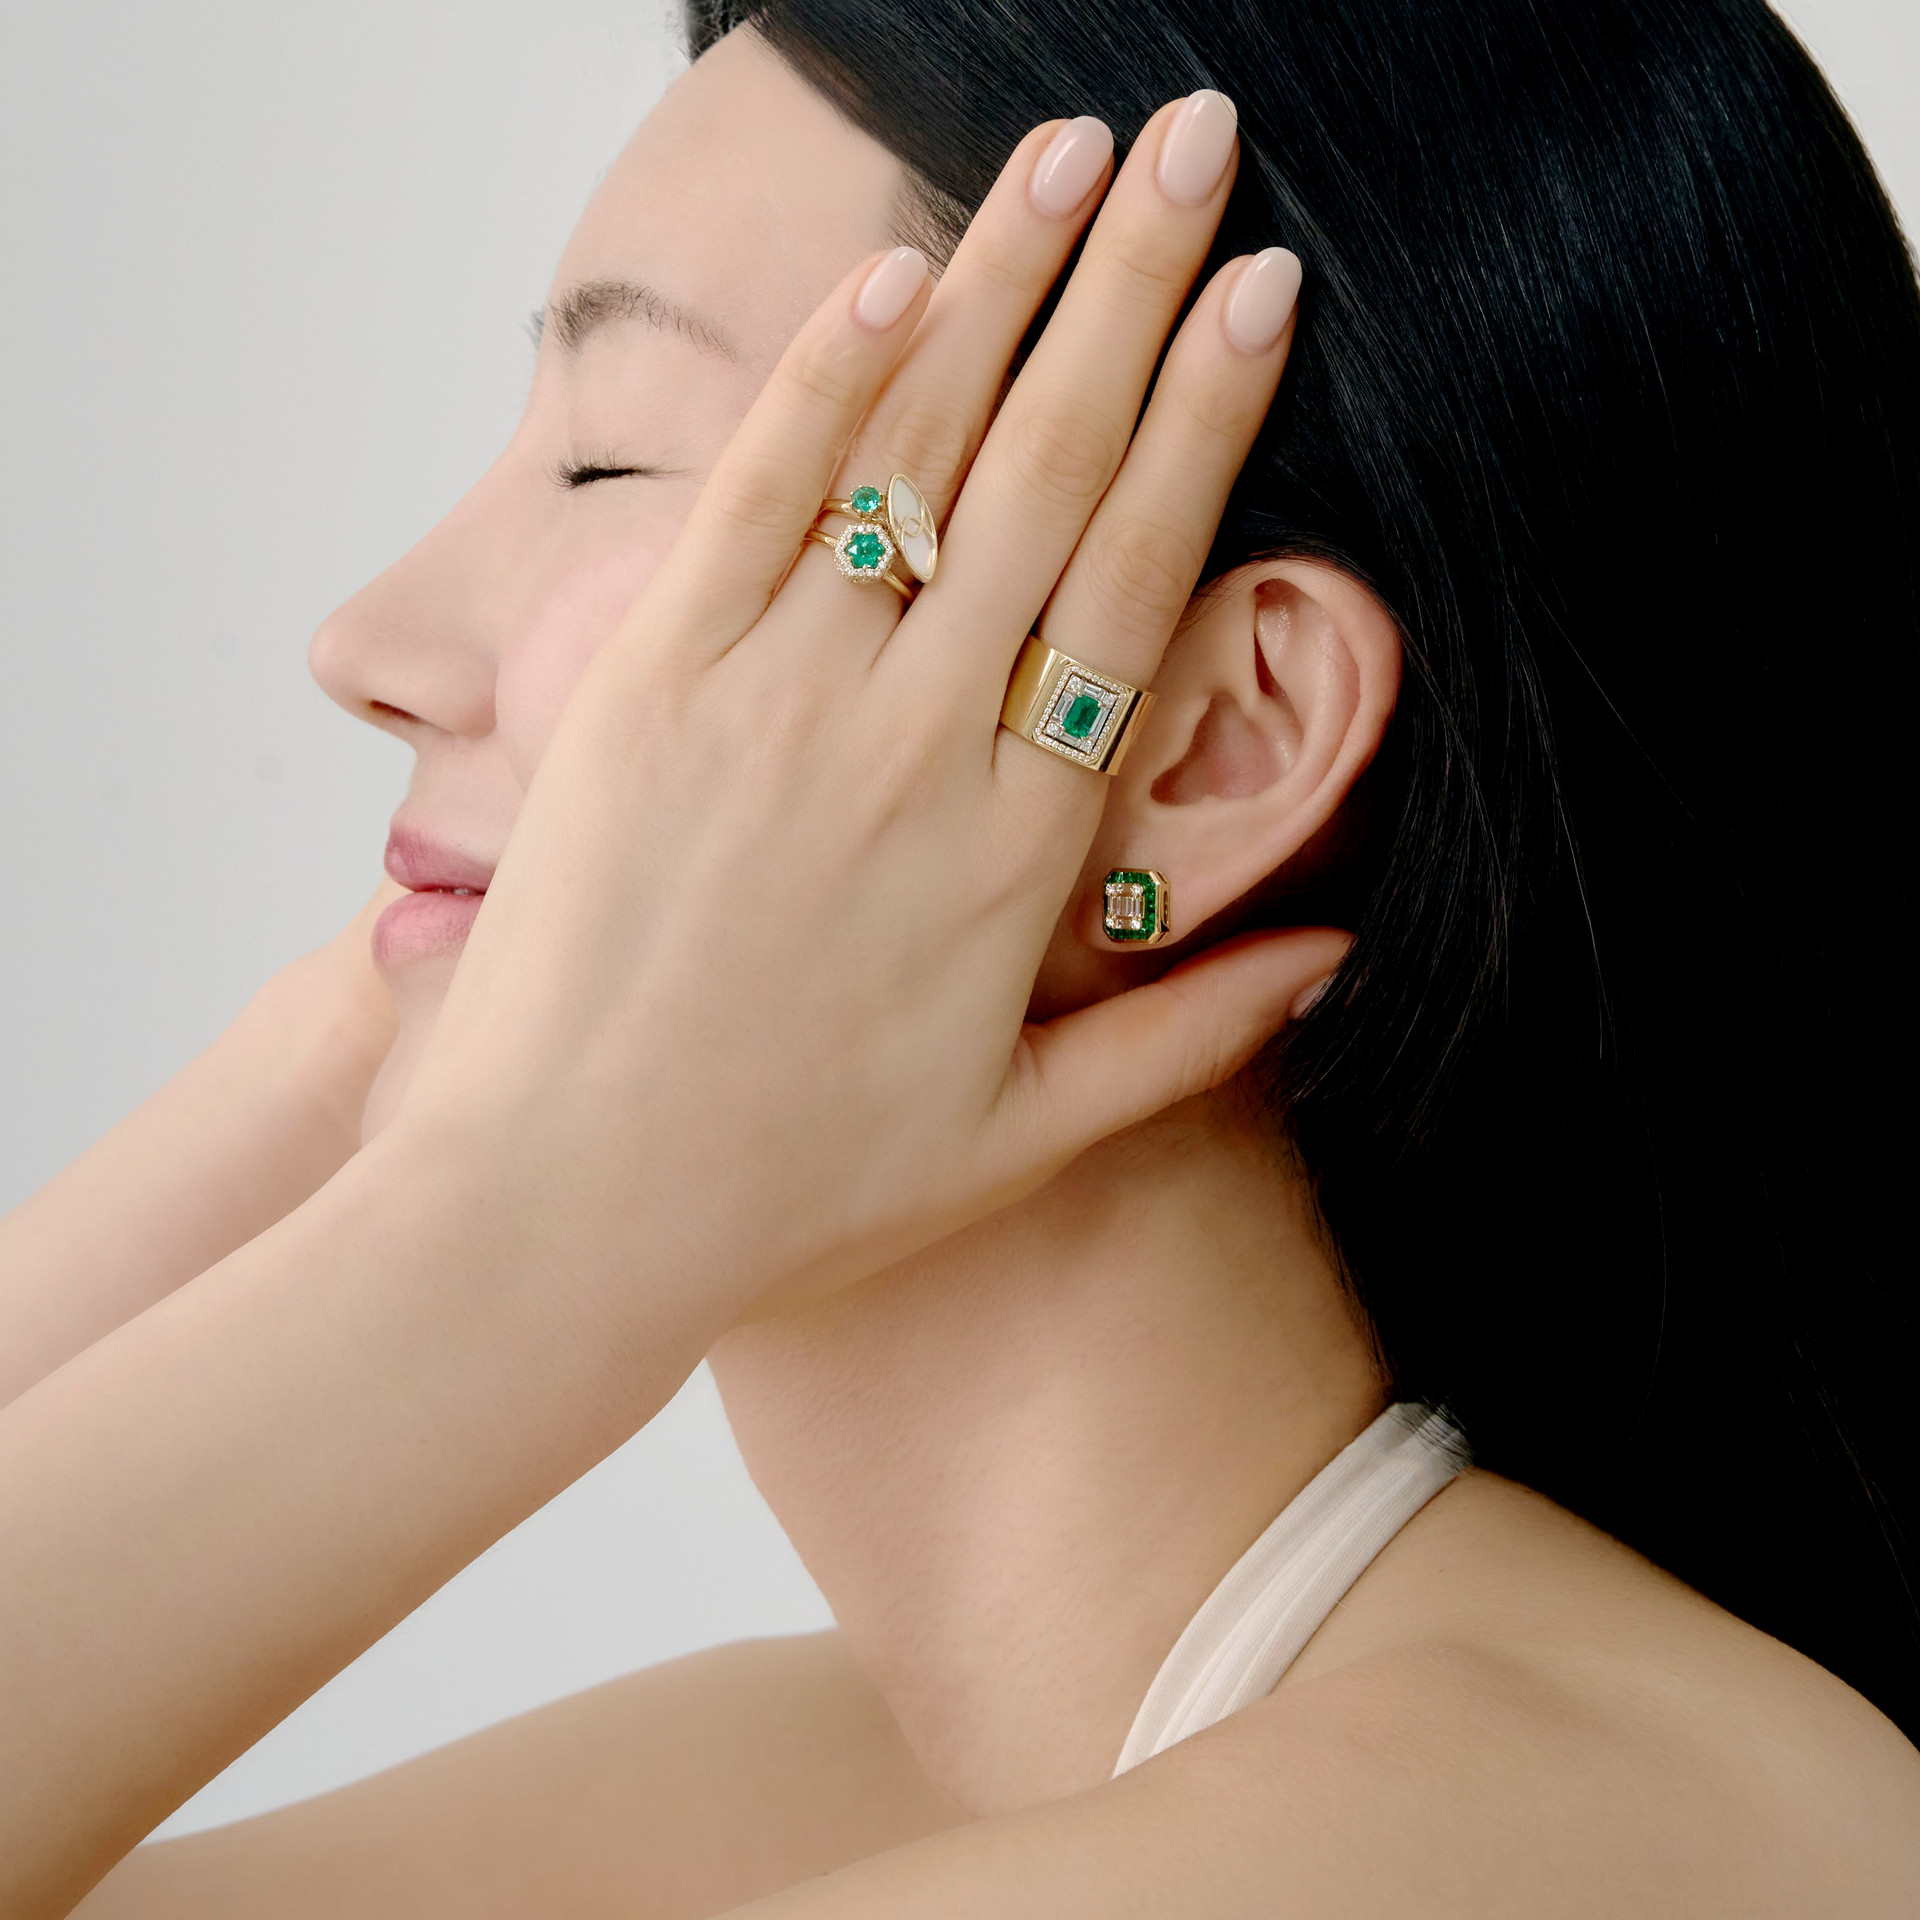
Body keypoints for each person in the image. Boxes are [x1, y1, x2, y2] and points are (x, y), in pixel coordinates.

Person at [0, 0, 1915, 1912]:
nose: (364, 645)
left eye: (606, 461)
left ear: (1212, 740)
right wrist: (347, 1050)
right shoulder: (861, 1775)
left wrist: (518, 1237)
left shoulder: (1488, 1849)